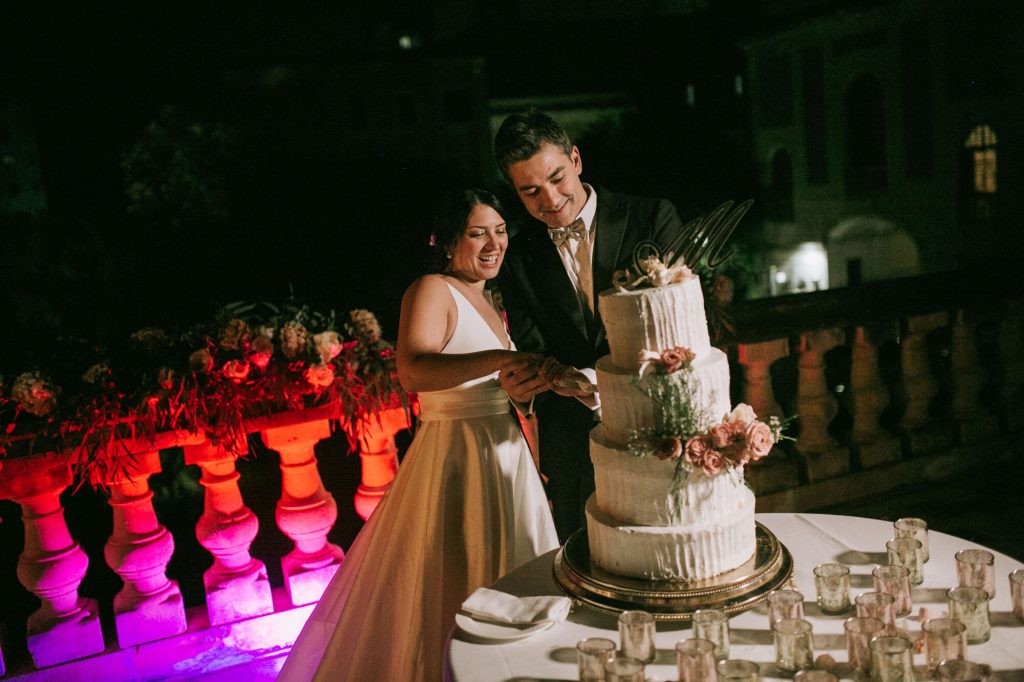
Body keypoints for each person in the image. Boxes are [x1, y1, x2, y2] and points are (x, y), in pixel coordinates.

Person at [278, 188, 559, 682]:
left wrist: (522, 390)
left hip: (506, 456)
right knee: (454, 588)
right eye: (478, 233)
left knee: (517, 586)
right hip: (459, 458)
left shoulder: (491, 297)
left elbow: (492, 384)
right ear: (447, 241)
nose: (494, 244)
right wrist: (501, 361)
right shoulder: (431, 288)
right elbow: (414, 371)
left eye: (500, 231)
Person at [494, 108, 686, 542]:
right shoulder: (518, 254)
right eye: (530, 191)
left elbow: (676, 326)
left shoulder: (651, 218)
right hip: (571, 447)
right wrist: (535, 384)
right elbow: (534, 347)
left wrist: (598, 380)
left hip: (656, 426)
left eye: (557, 177)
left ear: (576, 159)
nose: (549, 199)